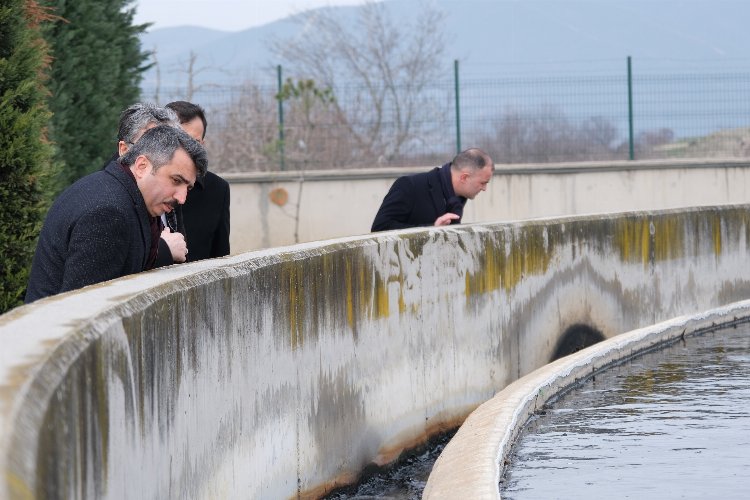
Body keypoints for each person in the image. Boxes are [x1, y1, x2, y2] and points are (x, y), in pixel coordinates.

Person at [25, 125, 207, 303]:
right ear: (142, 166)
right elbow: (84, 310)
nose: (182, 198)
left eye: (188, 188)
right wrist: (164, 252)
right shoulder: (109, 213)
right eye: (176, 180)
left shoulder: (113, 191)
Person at [111, 103, 190, 267]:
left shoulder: (172, 191)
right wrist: (163, 251)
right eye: (148, 144)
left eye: (168, 145)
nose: (160, 155)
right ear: (124, 149)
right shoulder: (109, 202)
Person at [166, 100, 230, 261]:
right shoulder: (141, 184)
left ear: (202, 145)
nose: (186, 150)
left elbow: (220, 257)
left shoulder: (217, 190)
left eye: (193, 142)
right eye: (179, 139)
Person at [371, 148, 494, 231]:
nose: (484, 189)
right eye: (483, 183)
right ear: (464, 177)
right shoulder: (409, 186)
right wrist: (432, 229)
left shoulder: (458, 198)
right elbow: (380, 228)